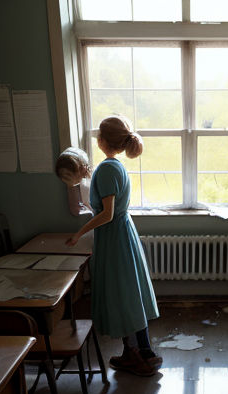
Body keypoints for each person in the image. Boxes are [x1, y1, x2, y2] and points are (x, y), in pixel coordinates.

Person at [55, 116, 161, 377]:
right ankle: (144, 351)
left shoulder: (106, 170)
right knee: (130, 295)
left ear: (102, 140)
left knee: (121, 296)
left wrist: (79, 233)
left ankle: (135, 356)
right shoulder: (115, 166)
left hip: (114, 238)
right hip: (123, 234)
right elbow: (107, 207)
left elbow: (107, 213)